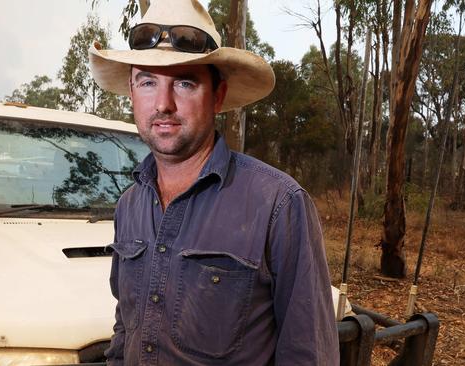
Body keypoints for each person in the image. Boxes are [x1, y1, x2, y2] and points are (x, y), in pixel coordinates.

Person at [89, 0, 339, 364]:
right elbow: (126, 326)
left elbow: (308, 355)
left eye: (185, 83)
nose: (163, 104)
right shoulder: (130, 204)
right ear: (131, 91)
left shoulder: (278, 205)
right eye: (147, 82)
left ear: (217, 96)